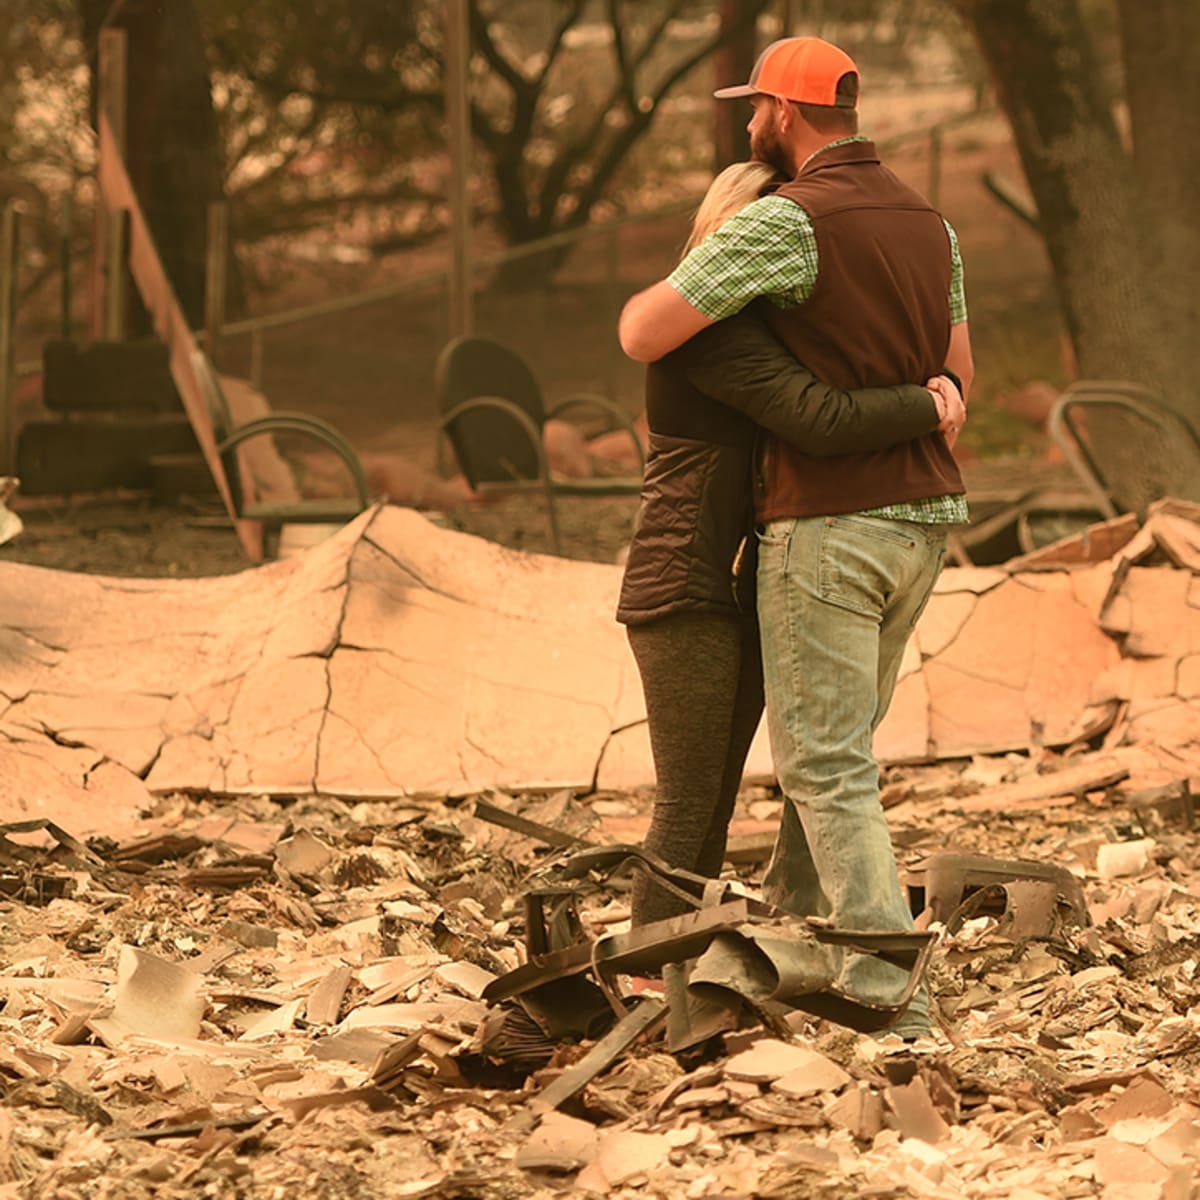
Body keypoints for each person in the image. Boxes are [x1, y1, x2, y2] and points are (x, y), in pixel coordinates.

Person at [618, 36, 974, 1040]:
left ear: (784, 111)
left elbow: (646, 329)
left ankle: (884, 988)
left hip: (831, 524)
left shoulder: (789, 222)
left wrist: (710, 272)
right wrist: (930, 398)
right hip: (923, 523)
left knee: (821, 766)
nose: (747, 122)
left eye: (754, 106)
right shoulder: (932, 223)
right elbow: (959, 378)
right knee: (835, 755)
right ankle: (793, 935)